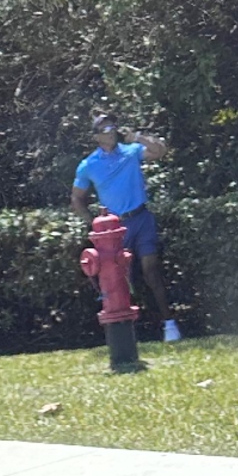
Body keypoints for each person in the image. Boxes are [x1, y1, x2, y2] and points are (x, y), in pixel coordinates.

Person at [71, 111, 181, 342]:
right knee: (120, 280)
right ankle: (128, 333)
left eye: (112, 128)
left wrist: (138, 137)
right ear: (96, 137)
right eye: (104, 130)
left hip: (141, 218)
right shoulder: (88, 165)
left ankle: (170, 324)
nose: (110, 133)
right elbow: (77, 199)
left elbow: (160, 151)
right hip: (114, 229)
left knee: (151, 270)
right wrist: (94, 225)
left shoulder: (130, 152)